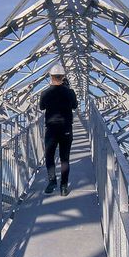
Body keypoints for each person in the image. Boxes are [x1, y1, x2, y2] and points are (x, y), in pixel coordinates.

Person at [38, 64, 78, 194]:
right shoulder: (70, 92)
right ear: (63, 76)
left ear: (51, 76)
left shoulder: (45, 93)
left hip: (51, 129)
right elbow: (75, 106)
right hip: (66, 129)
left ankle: (52, 182)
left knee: (49, 156)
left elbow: (42, 107)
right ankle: (64, 187)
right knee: (64, 158)